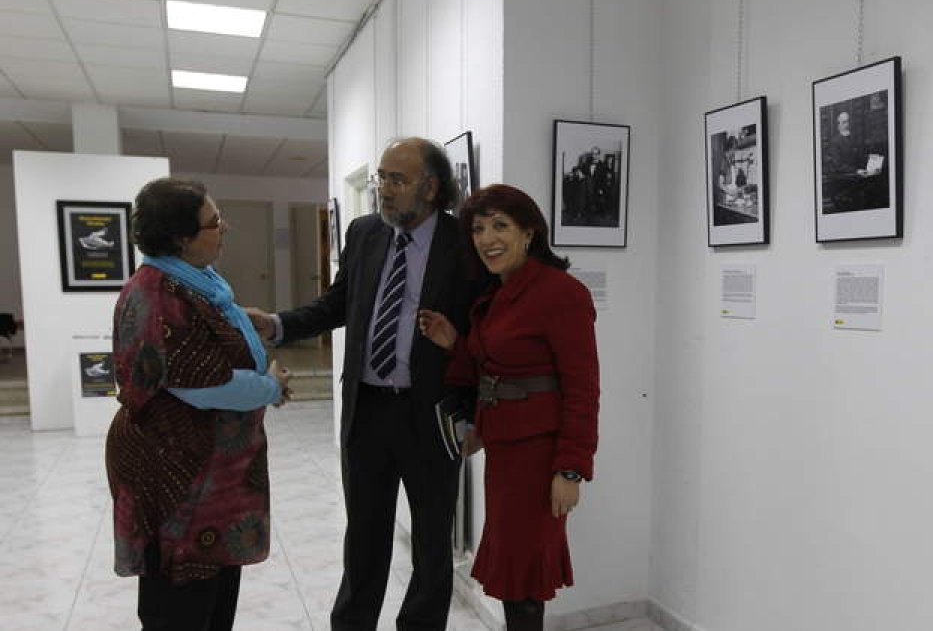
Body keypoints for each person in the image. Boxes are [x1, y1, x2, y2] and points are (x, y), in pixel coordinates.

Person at [245, 137, 477, 631]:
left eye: (397, 179)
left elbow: (483, 333)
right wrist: (278, 324)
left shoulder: (463, 245)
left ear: (432, 188)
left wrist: (475, 413)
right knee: (365, 535)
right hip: (367, 411)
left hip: (431, 413)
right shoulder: (365, 232)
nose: (383, 190)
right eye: (381, 178)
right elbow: (336, 304)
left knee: (433, 541)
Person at [105, 178, 291, 631]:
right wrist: (269, 386)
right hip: (179, 483)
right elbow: (203, 386)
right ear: (180, 238)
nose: (224, 228)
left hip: (210, 480)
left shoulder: (197, 283)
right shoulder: (156, 295)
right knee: (180, 604)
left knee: (212, 599)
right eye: (213, 223)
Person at [419, 184, 600, 631]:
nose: (486, 238)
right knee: (514, 576)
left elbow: (583, 389)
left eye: (500, 225)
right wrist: (454, 343)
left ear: (529, 233)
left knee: (524, 580)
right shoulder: (497, 295)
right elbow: (496, 366)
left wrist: (571, 469)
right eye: (478, 228)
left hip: (540, 460)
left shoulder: (562, 293)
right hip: (504, 452)